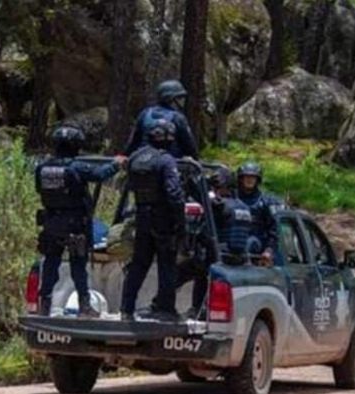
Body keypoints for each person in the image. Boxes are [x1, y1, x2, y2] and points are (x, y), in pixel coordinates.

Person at [36, 126, 126, 317]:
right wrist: (116, 164)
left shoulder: (42, 168)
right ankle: (84, 306)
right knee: (78, 266)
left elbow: (39, 190)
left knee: (51, 263)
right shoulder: (75, 167)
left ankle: (44, 304)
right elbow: (99, 175)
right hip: (75, 224)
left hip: (51, 222)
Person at [120, 119, 187, 321]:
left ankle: (126, 308)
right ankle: (165, 309)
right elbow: (173, 193)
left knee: (139, 263)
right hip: (163, 219)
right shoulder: (166, 160)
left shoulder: (135, 158)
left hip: (141, 216)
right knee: (167, 264)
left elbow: (129, 186)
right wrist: (180, 221)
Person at [175, 169, 253, 319]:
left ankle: (169, 306)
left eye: (216, 188)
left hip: (217, 257)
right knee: (200, 268)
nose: (214, 191)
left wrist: (189, 180)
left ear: (223, 187)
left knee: (179, 272)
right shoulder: (243, 207)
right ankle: (198, 308)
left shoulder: (221, 206)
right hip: (237, 258)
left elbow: (202, 197)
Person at [125, 80, 199, 160]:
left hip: (144, 162)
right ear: (171, 99)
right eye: (180, 97)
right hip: (171, 165)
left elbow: (133, 143)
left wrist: (126, 157)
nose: (183, 101)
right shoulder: (178, 118)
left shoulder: (145, 114)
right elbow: (190, 146)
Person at [236, 162, 286, 266]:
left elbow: (274, 230)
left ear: (257, 180)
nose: (249, 180)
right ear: (241, 178)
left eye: (252, 177)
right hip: (233, 242)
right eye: (247, 177)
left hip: (258, 245)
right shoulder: (232, 199)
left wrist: (269, 250)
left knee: (250, 242)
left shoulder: (266, 202)